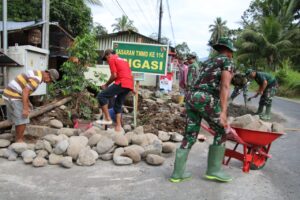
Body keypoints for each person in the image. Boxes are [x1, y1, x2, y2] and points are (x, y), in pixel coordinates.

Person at [169, 37, 235, 183]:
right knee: (221, 130)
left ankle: (177, 173)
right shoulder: (227, 61)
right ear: (230, 51)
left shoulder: (208, 62)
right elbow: (225, 86)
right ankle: (214, 170)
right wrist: (223, 112)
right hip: (205, 98)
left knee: (190, 134)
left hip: (191, 97)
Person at [3, 69, 59, 143]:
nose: (49, 82)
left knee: (18, 119)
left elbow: (24, 89)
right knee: (23, 119)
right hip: (14, 95)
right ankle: (19, 141)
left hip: (9, 93)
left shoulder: (37, 73)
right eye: (51, 80)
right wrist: (25, 109)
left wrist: (28, 102)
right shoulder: (37, 79)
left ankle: (17, 138)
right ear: (48, 75)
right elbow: (25, 91)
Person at [95, 49, 134, 132]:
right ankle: (118, 126)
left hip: (121, 82)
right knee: (118, 104)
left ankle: (108, 118)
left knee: (101, 96)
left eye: (106, 59)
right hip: (128, 84)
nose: (107, 61)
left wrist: (106, 84)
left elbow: (114, 75)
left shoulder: (112, 59)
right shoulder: (124, 60)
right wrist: (132, 88)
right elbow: (130, 74)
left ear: (108, 55)